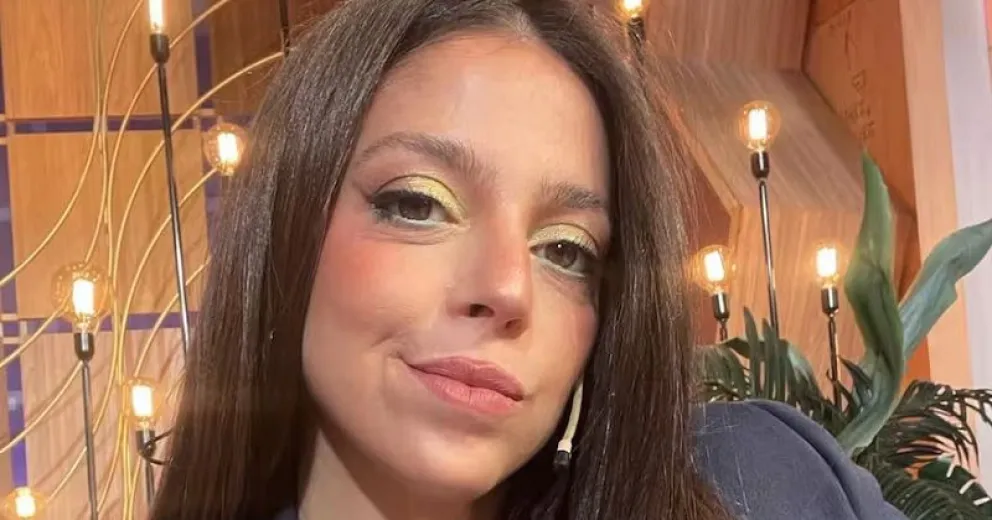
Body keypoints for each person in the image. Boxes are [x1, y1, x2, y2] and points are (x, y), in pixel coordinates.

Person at [150, 1, 907, 519]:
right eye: (418, 204)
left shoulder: (764, 484)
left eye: (566, 250)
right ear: (287, 230)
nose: (509, 288)